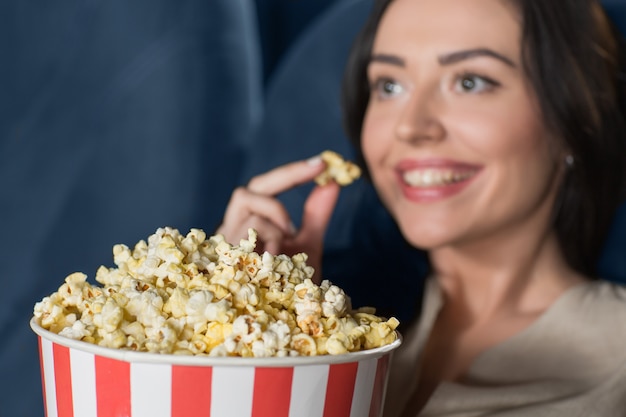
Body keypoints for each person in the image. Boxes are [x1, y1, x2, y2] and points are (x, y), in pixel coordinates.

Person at [217, 0, 626, 415]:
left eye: (470, 82)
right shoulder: (325, 331)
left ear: (574, 116)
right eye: (389, 86)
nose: (411, 126)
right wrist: (240, 314)